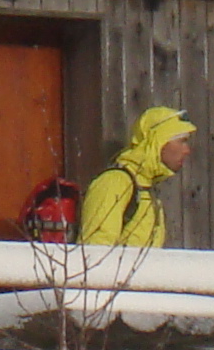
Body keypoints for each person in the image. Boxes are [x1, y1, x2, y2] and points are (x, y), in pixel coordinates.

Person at [77, 106, 195, 250]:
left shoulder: (146, 188)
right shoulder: (115, 182)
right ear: (158, 141)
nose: (187, 150)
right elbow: (95, 253)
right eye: (181, 141)